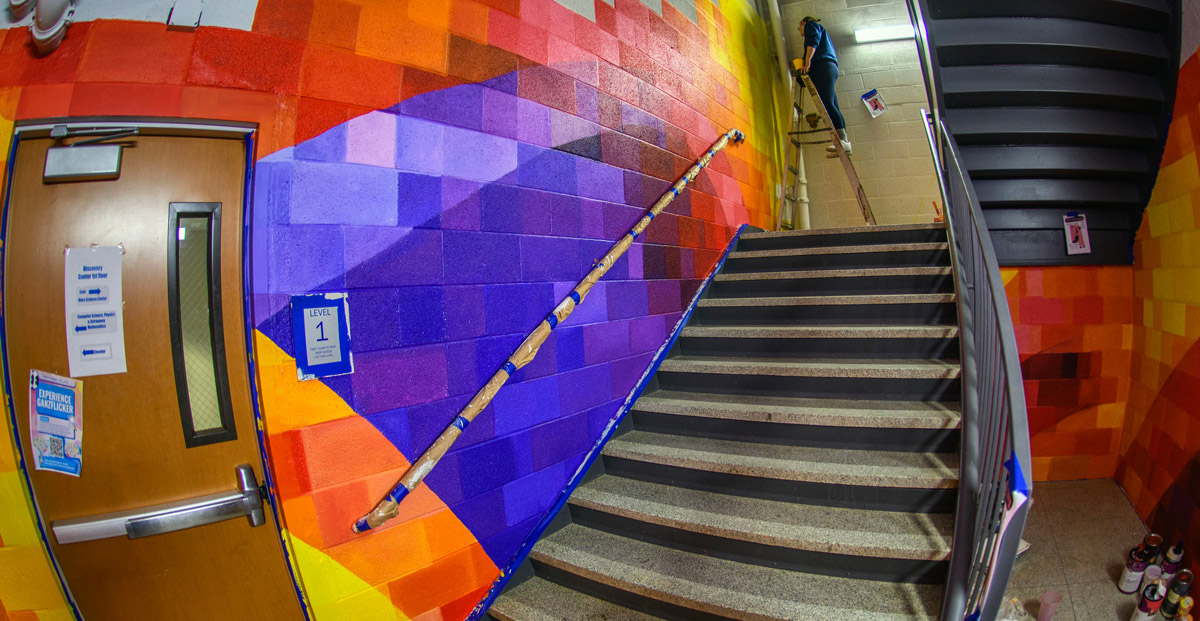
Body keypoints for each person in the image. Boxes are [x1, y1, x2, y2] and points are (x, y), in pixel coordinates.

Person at [797, 16, 850, 155]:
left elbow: (812, 40)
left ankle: (844, 142)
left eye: (799, 28)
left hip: (824, 66)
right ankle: (843, 141)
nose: (801, 31)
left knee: (828, 103)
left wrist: (807, 62)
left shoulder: (811, 24)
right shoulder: (820, 38)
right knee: (832, 104)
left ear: (803, 23)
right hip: (827, 67)